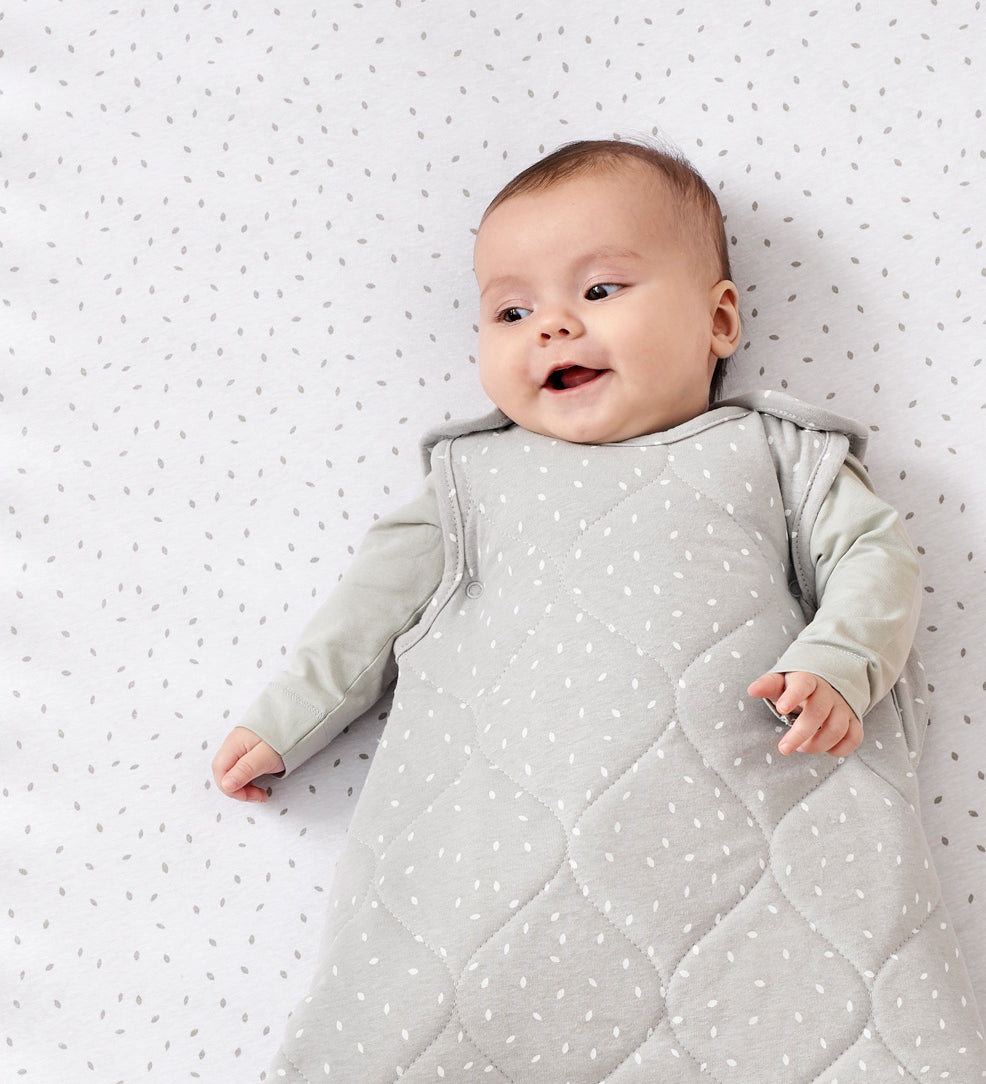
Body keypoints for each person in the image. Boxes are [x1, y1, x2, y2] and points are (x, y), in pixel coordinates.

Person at [212, 141, 985, 1080]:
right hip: (498, 850)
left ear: (720, 319)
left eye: (601, 290)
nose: (552, 327)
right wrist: (287, 719)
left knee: (824, 996)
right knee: (431, 995)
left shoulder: (779, 454)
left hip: (751, 824)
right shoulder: (471, 480)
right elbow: (365, 613)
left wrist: (837, 662)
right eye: (510, 309)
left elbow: (875, 558)